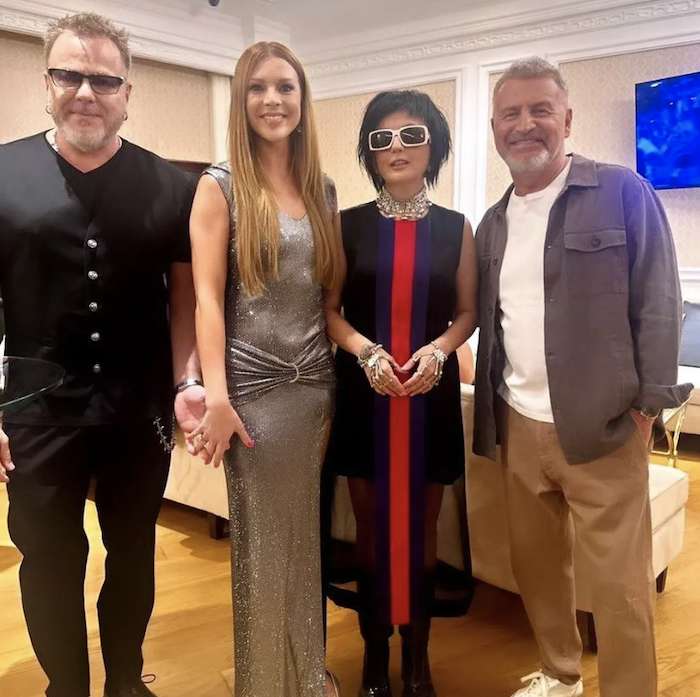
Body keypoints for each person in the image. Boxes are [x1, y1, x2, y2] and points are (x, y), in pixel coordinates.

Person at [473, 56, 692, 697]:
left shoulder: (624, 191)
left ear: (567, 119)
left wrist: (648, 408)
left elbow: (658, 302)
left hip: (605, 427)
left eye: (540, 109)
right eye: (510, 113)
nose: (525, 124)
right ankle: (560, 674)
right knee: (538, 569)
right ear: (495, 129)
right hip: (518, 424)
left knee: (620, 587)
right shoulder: (492, 223)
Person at [0, 12, 202, 697]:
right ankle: (66, 687)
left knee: (134, 551)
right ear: (47, 83)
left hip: (138, 413)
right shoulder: (1, 173)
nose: (86, 92)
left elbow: (184, 302)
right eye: (69, 75)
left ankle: (124, 680)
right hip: (35, 414)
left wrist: (187, 383)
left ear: (127, 92)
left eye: (104, 80)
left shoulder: (172, 188)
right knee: (48, 559)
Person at [188, 41, 341, 697]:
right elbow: (206, 298)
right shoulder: (219, 186)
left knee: (304, 537)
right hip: (252, 394)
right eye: (257, 88)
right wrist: (216, 397)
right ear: (240, 100)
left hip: (316, 389)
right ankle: (262, 683)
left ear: (302, 100)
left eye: (285, 87)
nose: (272, 100)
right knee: (261, 547)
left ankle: (307, 675)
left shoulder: (322, 189)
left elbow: (324, 298)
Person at [324, 90, 478, 697]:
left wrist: (439, 351)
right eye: (381, 138)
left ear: (433, 146)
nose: (396, 148)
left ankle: (417, 657)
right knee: (370, 530)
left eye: (411, 135)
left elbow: (467, 313)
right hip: (365, 394)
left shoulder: (456, 228)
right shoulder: (346, 225)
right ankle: (373, 654)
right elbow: (329, 312)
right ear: (369, 152)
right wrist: (366, 351)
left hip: (429, 395)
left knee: (423, 529)